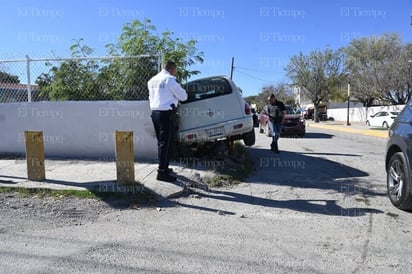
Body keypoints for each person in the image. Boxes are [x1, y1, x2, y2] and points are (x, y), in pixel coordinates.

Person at [148, 61, 188, 182]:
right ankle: (161, 172)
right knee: (166, 143)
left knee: (161, 142)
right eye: (175, 70)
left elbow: (151, 97)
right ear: (172, 69)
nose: (176, 73)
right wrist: (175, 97)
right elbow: (184, 96)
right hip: (165, 114)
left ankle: (164, 168)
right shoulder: (170, 79)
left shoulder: (152, 80)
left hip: (155, 113)